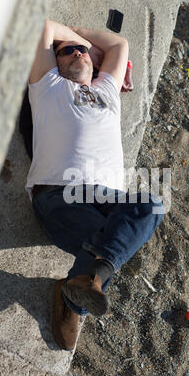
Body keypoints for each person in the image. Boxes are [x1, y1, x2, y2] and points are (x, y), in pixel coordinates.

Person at [26, 19, 164, 351]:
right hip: (57, 193)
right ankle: (78, 298)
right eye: (66, 51)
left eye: (82, 52)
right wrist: (91, 49)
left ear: (95, 64)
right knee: (114, 237)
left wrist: (91, 47)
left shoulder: (107, 91)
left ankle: (87, 280)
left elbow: (121, 45)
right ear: (54, 62)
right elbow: (43, 26)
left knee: (153, 205)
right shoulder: (48, 85)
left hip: (102, 197)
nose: (76, 52)